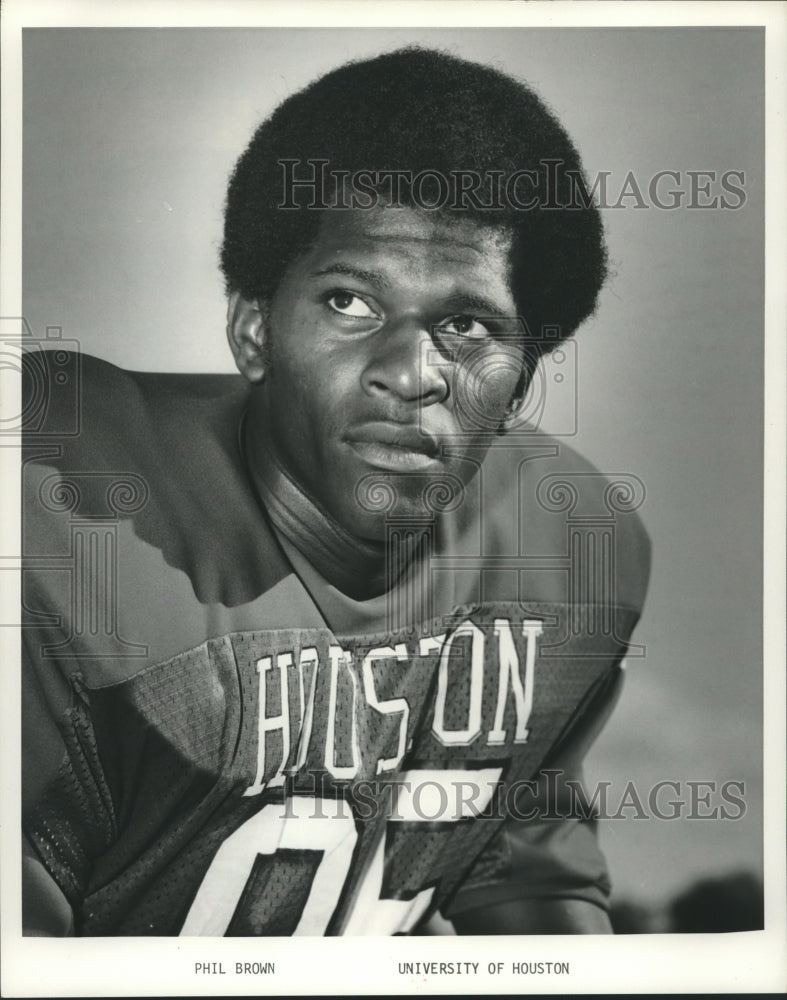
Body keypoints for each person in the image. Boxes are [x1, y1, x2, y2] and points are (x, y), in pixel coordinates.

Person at [21, 46, 650, 936]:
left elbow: (523, 895)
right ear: (252, 329)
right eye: (351, 302)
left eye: (466, 325)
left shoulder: (566, 551)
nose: (410, 373)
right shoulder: (60, 496)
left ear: (520, 385)